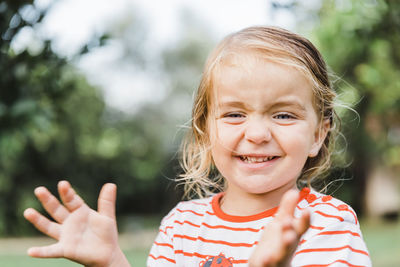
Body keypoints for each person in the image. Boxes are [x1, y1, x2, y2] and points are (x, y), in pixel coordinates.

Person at [24, 26, 371, 267]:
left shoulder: (327, 224)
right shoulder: (181, 226)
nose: (257, 133)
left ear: (317, 134)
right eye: (235, 114)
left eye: (282, 116)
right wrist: (112, 260)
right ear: (205, 131)